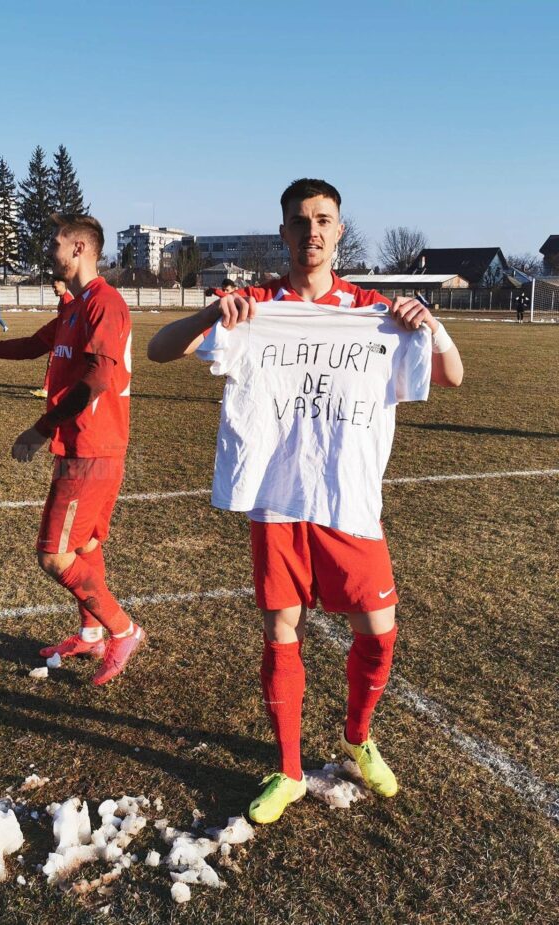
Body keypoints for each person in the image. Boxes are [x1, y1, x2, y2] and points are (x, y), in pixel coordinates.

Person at [148, 178, 463, 823]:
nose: (312, 232)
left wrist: (428, 323)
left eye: (324, 220)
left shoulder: (376, 311)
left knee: (378, 631)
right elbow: (156, 351)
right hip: (277, 500)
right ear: (284, 232)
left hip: (349, 498)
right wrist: (215, 314)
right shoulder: (255, 307)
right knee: (280, 629)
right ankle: (289, 768)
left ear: (339, 230)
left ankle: (357, 736)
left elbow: (451, 375)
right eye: (300, 221)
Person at [0, 214, 143, 685]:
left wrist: (38, 428)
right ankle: (92, 632)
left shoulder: (105, 304)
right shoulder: (73, 306)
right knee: (84, 545)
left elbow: (96, 381)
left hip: (92, 449)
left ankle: (122, 629)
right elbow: (34, 345)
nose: (48, 248)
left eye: (55, 242)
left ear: (78, 248)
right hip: (77, 446)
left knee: (54, 556)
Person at [31, 277, 74, 398]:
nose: (53, 290)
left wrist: (63, 336)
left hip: (62, 337)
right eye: (52, 288)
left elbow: (68, 322)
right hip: (59, 336)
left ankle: (47, 389)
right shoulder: (63, 299)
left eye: (55, 287)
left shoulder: (68, 300)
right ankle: (49, 388)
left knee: (53, 362)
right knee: (54, 362)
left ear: (63, 285)